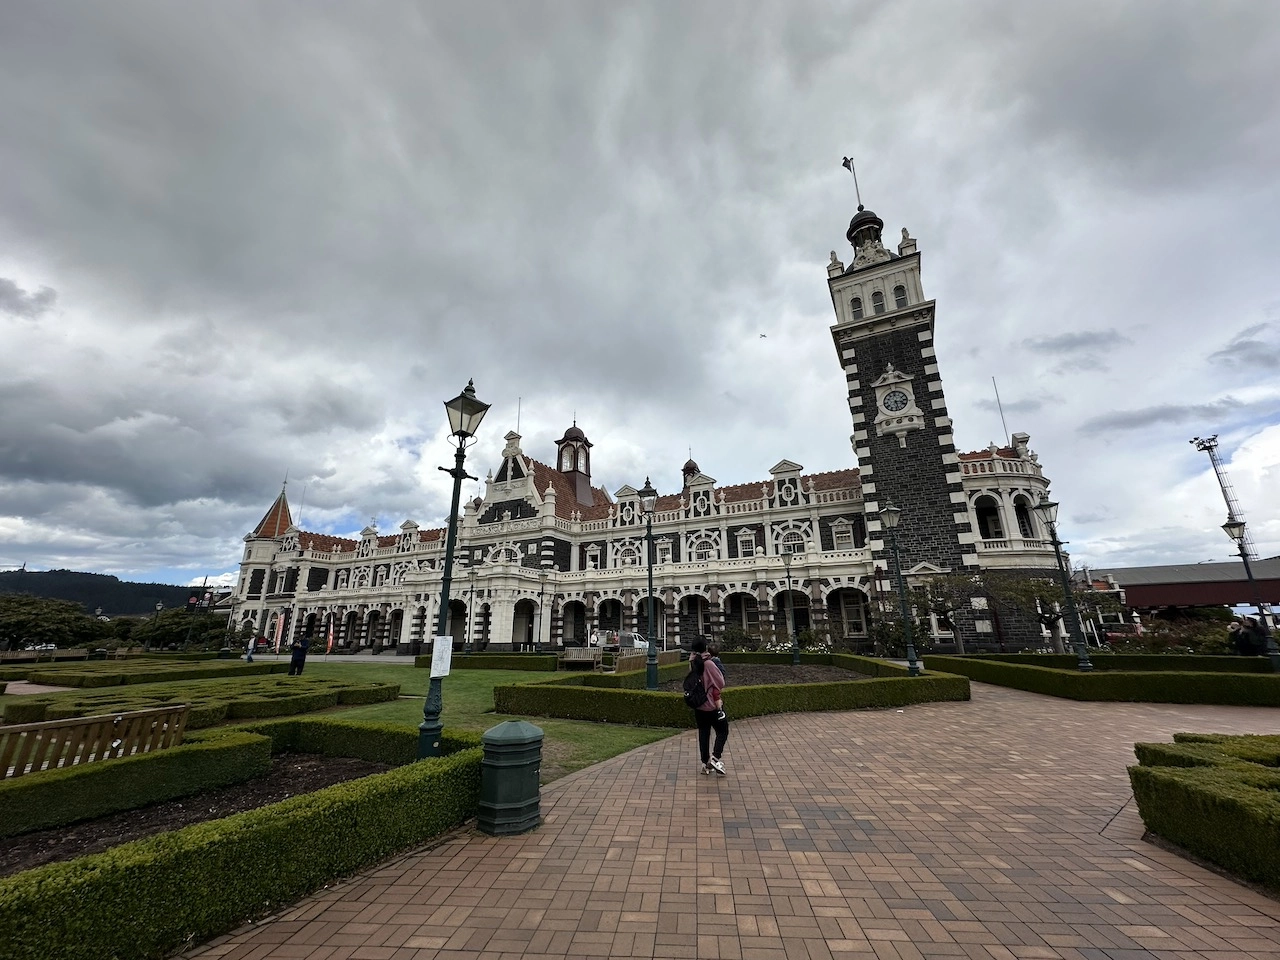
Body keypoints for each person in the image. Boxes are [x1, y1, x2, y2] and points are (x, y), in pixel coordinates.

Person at [689, 638, 729, 775]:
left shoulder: (693, 662)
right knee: (723, 730)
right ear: (705, 648)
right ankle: (715, 757)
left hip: (698, 704)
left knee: (704, 733)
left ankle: (705, 764)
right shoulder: (709, 663)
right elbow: (720, 682)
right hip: (711, 704)